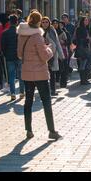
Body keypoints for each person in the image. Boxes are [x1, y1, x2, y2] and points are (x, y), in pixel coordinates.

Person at [17, 11, 61, 140]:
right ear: (38, 22)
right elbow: (44, 56)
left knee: (28, 101)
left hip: (26, 73)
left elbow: (20, 54)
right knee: (46, 101)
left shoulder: (21, 35)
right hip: (40, 74)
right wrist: (50, 48)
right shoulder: (37, 36)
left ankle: (28, 130)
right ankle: (52, 131)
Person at [1, 15, 24, 100]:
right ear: (17, 22)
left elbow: (2, 46)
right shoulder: (20, 32)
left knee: (11, 76)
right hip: (19, 56)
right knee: (21, 75)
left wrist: (5, 54)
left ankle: (13, 93)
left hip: (9, 57)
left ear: (9, 22)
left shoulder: (5, 32)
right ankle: (22, 92)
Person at [41, 17, 65, 96]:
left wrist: (61, 55)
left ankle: (53, 90)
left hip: (52, 54)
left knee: (52, 73)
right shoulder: (39, 31)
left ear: (49, 23)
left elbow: (57, 43)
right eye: (43, 22)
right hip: (41, 55)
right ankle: (44, 90)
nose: (45, 24)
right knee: (43, 74)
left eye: (46, 22)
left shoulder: (52, 30)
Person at [73, 16, 91, 85]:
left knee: (86, 64)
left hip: (85, 48)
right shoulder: (80, 29)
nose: (87, 21)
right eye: (85, 20)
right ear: (82, 21)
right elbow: (79, 39)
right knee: (83, 64)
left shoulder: (86, 28)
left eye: (87, 20)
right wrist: (88, 39)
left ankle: (85, 79)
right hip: (82, 49)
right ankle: (83, 80)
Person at [53, 19, 69, 88]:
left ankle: (62, 83)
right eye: (53, 23)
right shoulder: (50, 32)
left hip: (61, 52)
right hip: (53, 52)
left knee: (62, 67)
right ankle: (55, 81)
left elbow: (67, 42)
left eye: (56, 23)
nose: (55, 24)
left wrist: (63, 42)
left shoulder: (62, 32)